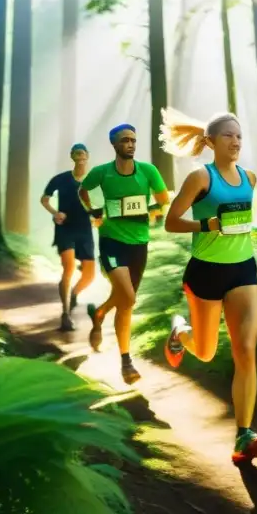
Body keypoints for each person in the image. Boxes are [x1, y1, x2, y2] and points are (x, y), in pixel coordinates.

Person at [159, 108, 257, 466]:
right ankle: (180, 331)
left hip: (242, 271)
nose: (235, 141)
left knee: (246, 350)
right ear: (210, 142)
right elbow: (171, 222)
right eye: (228, 135)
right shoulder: (200, 178)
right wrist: (206, 225)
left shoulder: (249, 178)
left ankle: (244, 433)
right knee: (207, 352)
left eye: (239, 136)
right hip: (205, 273)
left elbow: (238, 223)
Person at [78, 123, 170, 386]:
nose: (130, 144)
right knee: (128, 297)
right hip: (111, 242)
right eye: (124, 140)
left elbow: (164, 200)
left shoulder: (148, 171)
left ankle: (100, 313)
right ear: (114, 145)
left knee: (125, 301)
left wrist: (151, 209)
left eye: (133, 140)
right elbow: (83, 190)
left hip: (139, 244)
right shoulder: (102, 173)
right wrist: (92, 211)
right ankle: (126, 361)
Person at [40, 143, 98, 332]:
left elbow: (101, 205)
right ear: (72, 156)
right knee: (69, 268)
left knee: (89, 275)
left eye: (82, 153)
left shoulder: (94, 180)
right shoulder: (61, 179)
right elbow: (44, 199)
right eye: (76, 153)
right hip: (65, 228)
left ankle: (73, 295)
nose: (80, 156)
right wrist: (55, 213)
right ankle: (65, 315)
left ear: (87, 156)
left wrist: (98, 218)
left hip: (85, 230)